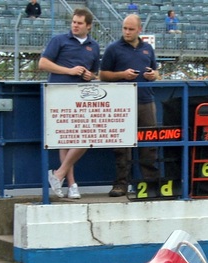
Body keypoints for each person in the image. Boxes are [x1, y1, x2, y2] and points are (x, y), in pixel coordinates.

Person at [39, 8, 100, 199]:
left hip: (82, 97)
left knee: (85, 137)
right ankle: (71, 184)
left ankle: (59, 174)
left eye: (79, 23)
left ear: (88, 26)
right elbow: (43, 63)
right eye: (74, 22)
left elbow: (95, 73)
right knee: (65, 139)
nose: (75, 25)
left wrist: (90, 76)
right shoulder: (59, 40)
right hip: (59, 94)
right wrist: (69, 71)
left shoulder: (94, 46)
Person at [100, 14, 160, 198]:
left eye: (131, 29)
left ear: (139, 30)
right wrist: (122, 75)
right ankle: (121, 184)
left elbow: (156, 72)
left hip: (145, 100)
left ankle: (150, 183)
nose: (127, 32)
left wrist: (153, 75)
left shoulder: (148, 48)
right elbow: (103, 75)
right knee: (121, 146)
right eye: (125, 28)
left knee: (149, 142)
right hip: (121, 103)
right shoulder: (113, 49)